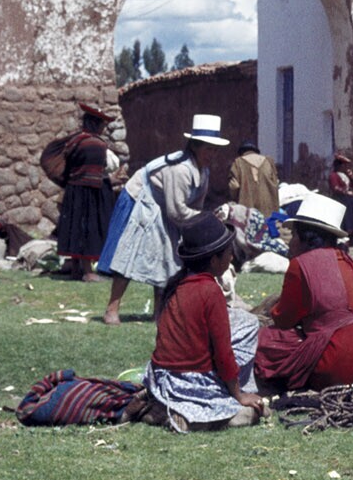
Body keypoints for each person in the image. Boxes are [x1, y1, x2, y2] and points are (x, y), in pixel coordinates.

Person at [255, 192, 353, 390]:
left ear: (306, 238)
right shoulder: (350, 262)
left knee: (266, 339)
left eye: (293, 235)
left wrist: (275, 309)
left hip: (340, 363)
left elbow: (283, 319)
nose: (290, 243)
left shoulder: (301, 265)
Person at [103, 114, 230, 324]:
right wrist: (203, 218)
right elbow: (177, 211)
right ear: (195, 146)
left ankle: (160, 311)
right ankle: (112, 309)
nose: (212, 154)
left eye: (215, 150)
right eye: (208, 149)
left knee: (168, 256)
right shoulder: (179, 169)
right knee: (130, 252)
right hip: (142, 199)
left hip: (165, 206)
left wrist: (204, 219)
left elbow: (195, 206)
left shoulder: (203, 172)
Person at [144, 212, 265, 432]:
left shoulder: (178, 285)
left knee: (246, 322)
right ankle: (189, 417)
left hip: (161, 379)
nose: (231, 258)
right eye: (228, 253)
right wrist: (238, 395)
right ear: (213, 260)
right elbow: (223, 354)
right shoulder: (210, 291)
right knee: (251, 413)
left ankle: (162, 407)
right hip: (191, 383)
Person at [54, 102, 117, 281]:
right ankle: (88, 272)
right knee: (89, 229)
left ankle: (76, 269)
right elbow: (103, 168)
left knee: (76, 227)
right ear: (95, 124)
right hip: (90, 192)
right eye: (102, 124)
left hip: (74, 190)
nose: (103, 128)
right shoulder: (98, 145)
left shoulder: (74, 142)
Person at [228, 140, 280, 215]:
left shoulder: (238, 163)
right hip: (268, 213)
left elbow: (234, 186)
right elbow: (276, 184)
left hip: (247, 214)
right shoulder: (269, 162)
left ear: (241, 152)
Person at [326, 152, 353, 235]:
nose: (346, 167)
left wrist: (351, 178)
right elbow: (335, 188)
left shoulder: (345, 176)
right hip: (340, 199)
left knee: (351, 214)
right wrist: (346, 192)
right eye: (344, 165)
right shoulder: (333, 176)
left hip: (349, 200)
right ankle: (346, 231)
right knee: (345, 217)